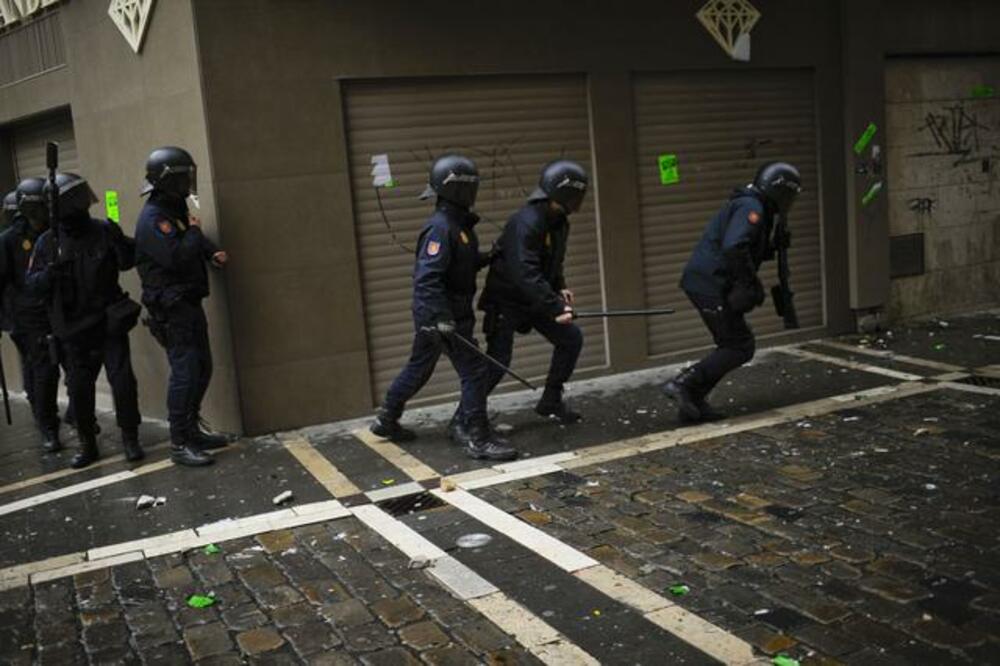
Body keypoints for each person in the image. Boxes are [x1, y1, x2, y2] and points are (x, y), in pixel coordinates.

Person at [370, 154, 517, 462]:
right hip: (444, 314)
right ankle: (478, 438)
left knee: (419, 366)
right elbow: (428, 279)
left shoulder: (456, 224)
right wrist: (439, 318)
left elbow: (457, 267)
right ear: (460, 189)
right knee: (476, 371)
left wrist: (489, 256)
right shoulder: (441, 228)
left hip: (442, 313)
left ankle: (386, 419)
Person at [663, 162, 802, 422]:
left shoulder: (751, 204)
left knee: (733, 343)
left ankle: (692, 399)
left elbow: (742, 246)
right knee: (738, 345)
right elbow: (734, 247)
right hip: (709, 283)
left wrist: (771, 248)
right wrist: (749, 283)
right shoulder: (752, 207)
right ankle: (684, 384)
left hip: (708, 281)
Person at [27, 173, 144, 468]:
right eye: (74, 200)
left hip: (108, 321)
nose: (82, 205)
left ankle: (130, 437)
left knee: (123, 382)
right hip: (74, 329)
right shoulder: (47, 243)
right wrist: (49, 274)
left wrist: (121, 244)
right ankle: (87, 443)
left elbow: (129, 259)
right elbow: (32, 284)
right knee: (79, 389)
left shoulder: (104, 230)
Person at [134, 146, 229, 467]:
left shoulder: (172, 209)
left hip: (187, 302)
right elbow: (175, 255)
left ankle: (193, 430)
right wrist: (196, 233)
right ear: (168, 180)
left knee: (203, 368)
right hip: (171, 309)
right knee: (185, 373)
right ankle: (179, 443)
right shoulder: (153, 219)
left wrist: (210, 251)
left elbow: (189, 236)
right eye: (183, 176)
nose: (188, 182)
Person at [478, 159, 588, 424]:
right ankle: (467, 417)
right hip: (506, 300)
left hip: (534, 298)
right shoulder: (526, 222)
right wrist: (557, 307)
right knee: (498, 361)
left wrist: (561, 287)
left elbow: (552, 261)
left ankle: (551, 400)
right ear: (567, 193)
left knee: (570, 339)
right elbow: (525, 272)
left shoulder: (559, 221)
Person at [0, 180, 62, 451]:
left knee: (56, 368)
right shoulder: (9, 240)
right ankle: (47, 425)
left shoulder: (52, 232)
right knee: (43, 371)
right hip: (26, 317)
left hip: (55, 311)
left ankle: (59, 415)